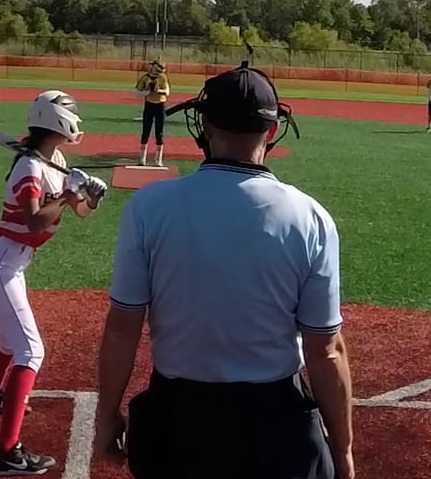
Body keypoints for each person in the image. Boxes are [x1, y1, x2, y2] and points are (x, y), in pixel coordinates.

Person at [95, 63, 352, 479]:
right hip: (275, 424)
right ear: (272, 131)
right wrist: (342, 448)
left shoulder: (148, 207)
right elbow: (325, 349)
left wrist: (107, 413)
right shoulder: (310, 218)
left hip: (177, 420)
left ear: (204, 126)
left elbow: (123, 327)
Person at [0, 90, 103, 476]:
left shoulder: (54, 160)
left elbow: (80, 212)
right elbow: (33, 221)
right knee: (31, 352)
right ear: (59, 121)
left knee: (11, 340)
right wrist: (68, 193)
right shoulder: (29, 168)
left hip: (10, 263)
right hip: (0, 263)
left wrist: (90, 197)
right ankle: (6, 454)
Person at [135, 60, 170, 166]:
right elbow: (137, 92)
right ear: (153, 67)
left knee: (159, 133)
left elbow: (167, 91)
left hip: (160, 105)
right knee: (145, 131)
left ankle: (158, 159)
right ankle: (142, 158)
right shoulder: (145, 78)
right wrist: (147, 92)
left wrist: (158, 91)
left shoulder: (163, 78)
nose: (160, 72)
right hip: (149, 105)